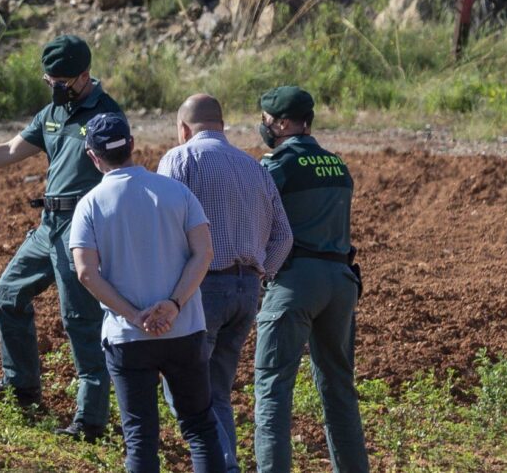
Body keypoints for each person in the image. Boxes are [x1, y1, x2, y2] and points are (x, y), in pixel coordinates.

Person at [0, 34, 120, 442]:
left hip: (82, 226)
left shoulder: (106, 114)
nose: (55, 87)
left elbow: (119, 171)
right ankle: (22, 387)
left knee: (80, 320)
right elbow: (11, 149)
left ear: (84, 76)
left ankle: (91, 420)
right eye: (49, 80)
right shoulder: (52, 111)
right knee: (8, 293)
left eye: (62, 81)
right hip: (48, 223)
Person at [70, 112, 224, 473]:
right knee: (200, 427)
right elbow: (204, 252)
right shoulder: (176, 191)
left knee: (140, 437)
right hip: (184, 330)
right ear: (132, 145)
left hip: (127, 338)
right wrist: (173, 305)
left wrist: (132, 315)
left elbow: (86, 274)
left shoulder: (90, 205)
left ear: (93, 157)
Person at [156, 94, 293, 473]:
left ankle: (224, 467)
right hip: (246, 290)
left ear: (184, 129)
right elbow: (284, 236)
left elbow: (163, 223)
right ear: (221, 125)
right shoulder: (254, 167)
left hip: (202, 288)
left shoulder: (179, 159)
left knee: (184, 389)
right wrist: (260, 274)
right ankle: (224, 464)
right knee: (216, 391)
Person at [252, 86, 368, 473]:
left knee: (272, 388)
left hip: (295, 283)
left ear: (283, 123)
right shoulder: (338, 165)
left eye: (267, 121)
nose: (264, 127)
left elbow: (258, 227)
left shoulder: (276, 167)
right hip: (340, 282)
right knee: (339, 390)